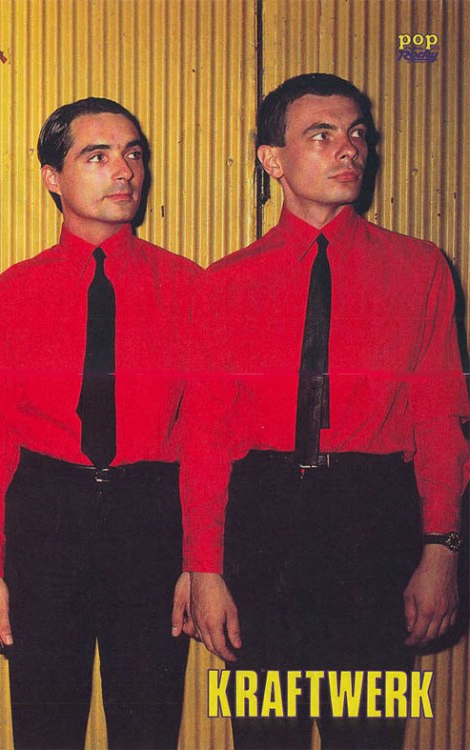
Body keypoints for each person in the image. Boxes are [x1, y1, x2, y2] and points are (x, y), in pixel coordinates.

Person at [182, 73, 468, 749]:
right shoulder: (225, 283)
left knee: (369, 731)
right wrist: (204, 567)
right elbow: (205, 438)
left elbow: (440, 419)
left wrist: (442, 549)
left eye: (357, 133)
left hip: (375, 520)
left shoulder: (420, 268)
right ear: (272, 159)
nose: (349, 149)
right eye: (322, 135)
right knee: (264, 731)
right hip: (262, 520)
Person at [0, 97, 197, 749]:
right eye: (97, 156)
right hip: (46, 519)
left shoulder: (188, 289)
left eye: (133, 154)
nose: (124, 170)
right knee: (44, 729)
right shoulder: (13, 293)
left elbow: (206, 437)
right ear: (52, 177)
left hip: (152, 520)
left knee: (149, 726)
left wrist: (200, 563)